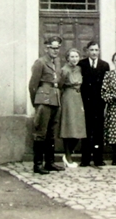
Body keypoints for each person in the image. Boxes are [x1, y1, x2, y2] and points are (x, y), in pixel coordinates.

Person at [28, 36, 65, 174]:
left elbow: (59, 81)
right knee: (40, 133)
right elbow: (33, 85)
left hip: (55, 99)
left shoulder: (57, 62)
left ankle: (50, 162)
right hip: (43, 100)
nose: (56, 51)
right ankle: (37, 164)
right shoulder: (40, 62)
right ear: (46, 48)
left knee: (51, 133)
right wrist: (36, 102)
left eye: (58, 48)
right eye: (53, 48)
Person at [77, 41, 109, 167]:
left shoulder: (104, 65)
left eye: (96, 50)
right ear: (87, 51)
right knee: (86, 131)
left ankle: (98, 158)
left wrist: (105, 102)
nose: (94, 52)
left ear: (99, 51)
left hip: (99, 103)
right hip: (85, 103)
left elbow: (107, 85)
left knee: (98, 131)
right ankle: (85, 159)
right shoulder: (81, 64)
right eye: (92, 50)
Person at [59, 48, 87, 168]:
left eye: (76, 56)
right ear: (67, 58)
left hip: (78, 98)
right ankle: (68, 155)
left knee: (79, 128)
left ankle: (67, 155)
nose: (74, 59)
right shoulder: (64, 70)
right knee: (68, 127)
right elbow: (59, 86)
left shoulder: (79, 69)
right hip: (68, 98)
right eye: (72, 57)